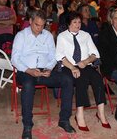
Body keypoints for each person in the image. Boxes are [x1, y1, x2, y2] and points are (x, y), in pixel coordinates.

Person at [11, 9, 75, 139]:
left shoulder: (48, 35)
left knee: (68, 80)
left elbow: (53, 57)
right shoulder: (21, 36)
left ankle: (64, 119)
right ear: (30, 21)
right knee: (28, 85)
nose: (39, 29)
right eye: (36, 25)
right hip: (26, 71)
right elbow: (15, 59)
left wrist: (49, 69)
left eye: (42, 25)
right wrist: (29, 70)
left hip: (44, 70)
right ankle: (28, 125)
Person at [56, 11, 110, 131]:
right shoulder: (62, 36)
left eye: (79, 22)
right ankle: (79, 113)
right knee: (81, 78)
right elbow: (59, 56)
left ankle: (101, 112)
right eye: (74, 22)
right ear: (68, 23)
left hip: (85, 64)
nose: (78, 25)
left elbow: (95, 53)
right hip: (69, 66)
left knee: (97, 78)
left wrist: (86, 61)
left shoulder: (85, 35)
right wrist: (73, 67)